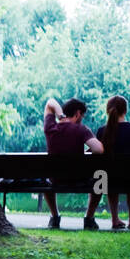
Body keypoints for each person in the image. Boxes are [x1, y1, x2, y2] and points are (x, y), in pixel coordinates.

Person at [83, 95, 130, 230]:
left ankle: (115, 220)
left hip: (106, 179)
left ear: (108, 111)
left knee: (106, 175)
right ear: (125, 111)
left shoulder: (102, 131)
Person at [42, 97, 103, 229]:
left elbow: (50, 102)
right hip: (78, 179)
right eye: (82, 115)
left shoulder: (50, 128)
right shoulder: (82, 129)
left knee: (46, 176)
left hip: (55, 179)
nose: (82, 118)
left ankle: (55, 217)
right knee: (101, 178)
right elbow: (99, 149)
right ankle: (89, 218)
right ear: (78, 113)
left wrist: (60, 116)